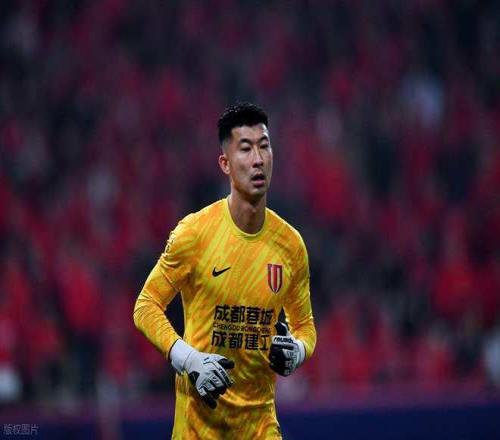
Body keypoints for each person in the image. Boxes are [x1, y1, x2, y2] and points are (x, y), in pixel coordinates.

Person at [133, 102, 316, 439]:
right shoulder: (195, 234)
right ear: (225, 164)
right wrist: (189, 360)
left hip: (260, 428)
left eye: (264, 146)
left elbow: (305, 327)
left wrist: (297, 352)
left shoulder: (290, 245)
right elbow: (145, 306)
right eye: (245, 148)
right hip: (198, 430)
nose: (258, 159)